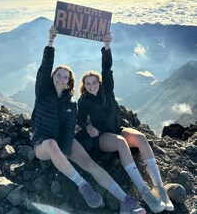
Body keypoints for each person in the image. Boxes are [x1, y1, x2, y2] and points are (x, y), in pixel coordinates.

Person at [31, 26, 146, 214]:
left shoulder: (71, 103)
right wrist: (50, 42)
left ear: (69, 82)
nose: (61, 78)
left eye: (65, 77)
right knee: (52, 144)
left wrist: (67, 148)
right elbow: (44, 68)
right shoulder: (42, 92)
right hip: (42, 143)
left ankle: (126, 201)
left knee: (90, 164)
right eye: (58, 75)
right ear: (52, 78)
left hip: (62, 140)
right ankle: (83, 186)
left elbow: (69, 127)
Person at [76, 32, 174, 214]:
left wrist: (107, 46)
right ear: (84, 85)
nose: (91, 85)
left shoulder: (108, 90)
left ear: (99, 82)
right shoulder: (83, 101)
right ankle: (144, 192)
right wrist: (87, 126)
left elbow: (107, 68)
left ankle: (159, 189)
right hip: (103, 137)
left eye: (94, 82)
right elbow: (79, 118)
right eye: (87, 83)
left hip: (118, 128)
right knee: (121, 143)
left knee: (142, 138)